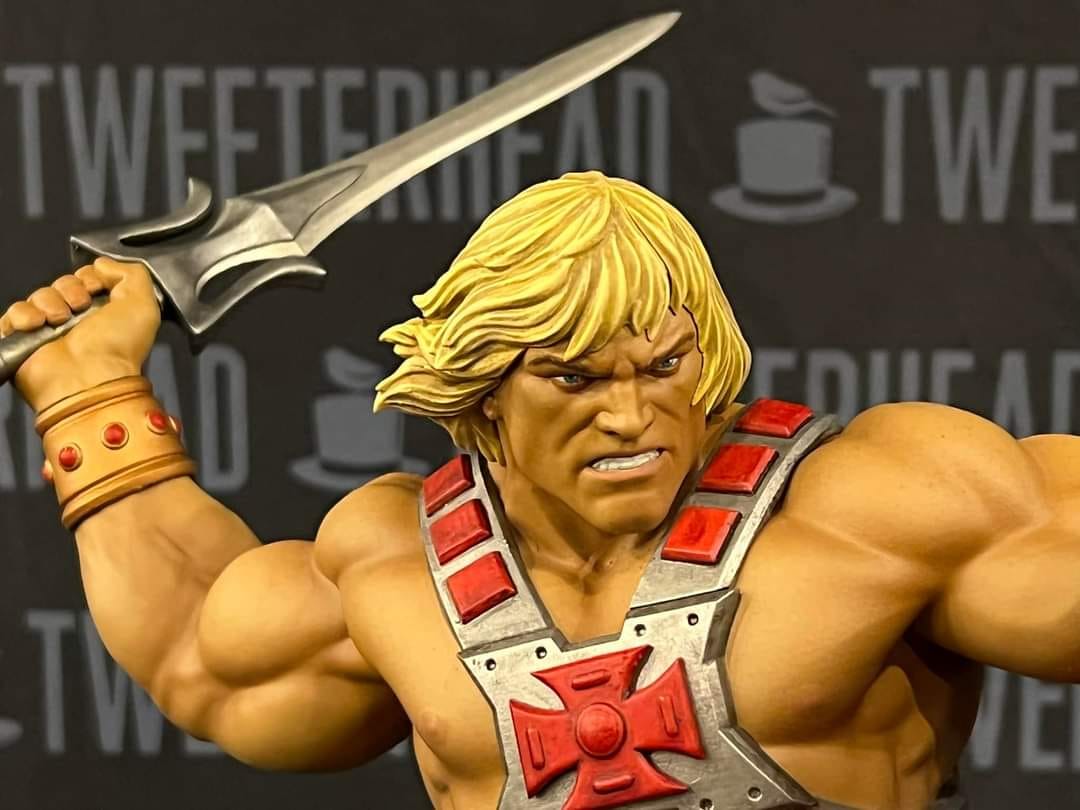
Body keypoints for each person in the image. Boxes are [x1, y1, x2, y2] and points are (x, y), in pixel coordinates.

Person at [2, 171, 1077, 810]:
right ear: (483, 392)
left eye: (664, 366)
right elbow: (198, 649)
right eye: (575, 379)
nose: (633, 416)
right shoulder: (398, 567)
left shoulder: (875, 503)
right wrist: (86, 390)